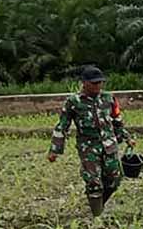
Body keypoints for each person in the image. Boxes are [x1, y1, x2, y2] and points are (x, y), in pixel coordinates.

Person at [47, 66, 136, 217]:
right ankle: (97, 216)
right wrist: (55, 149)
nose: (98, 86)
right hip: (88, 147)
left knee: (114, 179)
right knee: (94, 182)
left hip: (109, 145)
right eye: (94, 83)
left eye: (100, 83)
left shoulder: (109, 98)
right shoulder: (73, 101)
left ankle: (99, 205)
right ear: (84, 83)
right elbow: (62, 125)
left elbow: (117, 120)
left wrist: (127, 138)